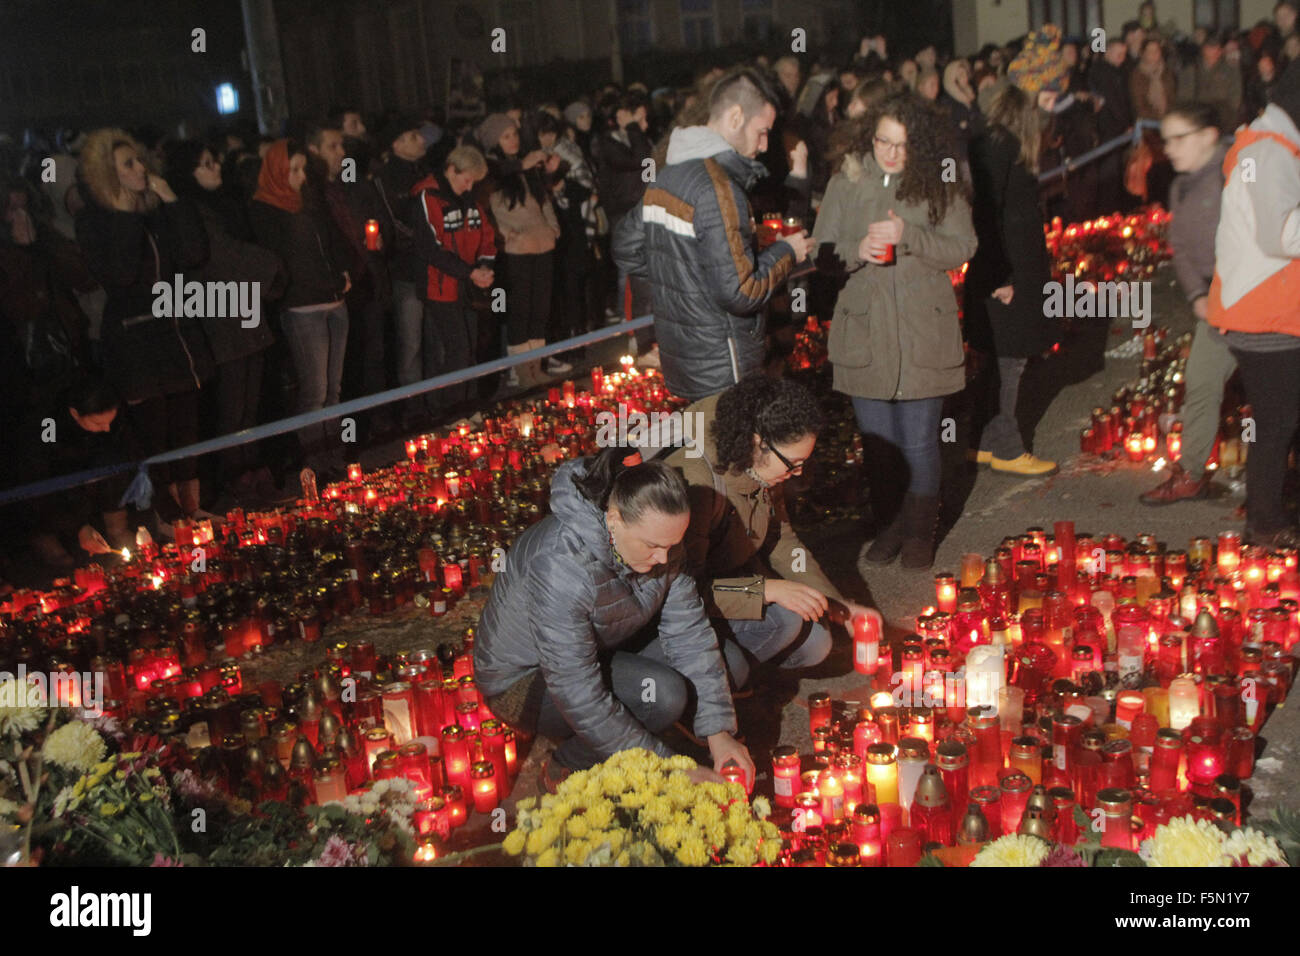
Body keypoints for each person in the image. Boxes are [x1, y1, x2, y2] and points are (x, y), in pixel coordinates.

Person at [473, 447, 752, 791]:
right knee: (662, 695)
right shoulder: (561, 564)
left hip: (601, 648)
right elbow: (576, 688)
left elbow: (689, 632)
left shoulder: (661, 542)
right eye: (652, 546)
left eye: (672, 544)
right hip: (525, 682)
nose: (664, 557)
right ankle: (568, 763)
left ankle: (645, 733)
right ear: (614, 518)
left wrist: (719, 732)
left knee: (731, 664)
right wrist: (665, 768)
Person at [811, 90, 977, 570]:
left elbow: (964, 245)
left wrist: (912, 236)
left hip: (925, 330)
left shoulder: (938, 181)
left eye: (901, 145)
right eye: (883, 141)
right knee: (879, 447)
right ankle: (889, 528)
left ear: (918, 146)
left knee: (921, 442)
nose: (890, 152)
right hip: (864, 332)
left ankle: (920, 532)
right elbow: (821, 250)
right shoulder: (848, 180)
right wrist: (855, 249)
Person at [613, 67, 814, 402]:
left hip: (685, 363)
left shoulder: (669, 174)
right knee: (731, 452)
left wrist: (697, 272)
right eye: (762, 132)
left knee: (705, 451)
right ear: (735, 116)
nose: (764, 145)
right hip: (725, 367)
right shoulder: (718, 189)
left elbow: (626, 248)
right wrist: (787, 252)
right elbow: (741, 290)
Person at [666, 376, 881, 688]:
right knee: (785, 624)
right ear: (758, 442)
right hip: (682, 606)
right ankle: (700, 687)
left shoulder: (762, 467)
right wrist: (767, 592)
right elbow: (682, 591)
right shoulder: (696, 484)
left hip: (730, 577)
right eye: (793, 464)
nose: (798, 474)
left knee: (816, 643)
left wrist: (837, 604)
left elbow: (781, 539)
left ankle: (734, 667)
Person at [75, 128, 216, 528]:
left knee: (187, 427)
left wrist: (173, 203)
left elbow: (194, 254)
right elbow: (119, 273)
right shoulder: (95, 219)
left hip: (177, 332)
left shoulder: (155, 210)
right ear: (108, 174)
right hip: (136, 340)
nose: (140, 169)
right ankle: (167, 518)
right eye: (128, 164)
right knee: (154, 435)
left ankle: (193, 508)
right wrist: (125, 216)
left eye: (139, 160)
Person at [1206, 62, 1300, 548]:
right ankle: (1264, 524)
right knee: (1277, 419)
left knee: (1280, 417)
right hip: (1263, 311)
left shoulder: (1272, 146)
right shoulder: (1269, 153)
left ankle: (1268, 515)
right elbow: (1283, 233)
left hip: (1269, 307)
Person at [162, 140, 286, 505]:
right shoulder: (193, 212)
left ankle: (253, 468)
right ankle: (237, 476)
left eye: (214, 161)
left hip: (245, 309)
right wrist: (272, 265)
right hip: (222, 312)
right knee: (233, 407)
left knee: (250, 403)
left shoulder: (226, 205)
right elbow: (223, 256)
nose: (215, 168)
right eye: (204, 164)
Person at [966, 82, 1067, 478]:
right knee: (1010, 362)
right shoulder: (1001, 148)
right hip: (1006, 271)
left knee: (998, 361)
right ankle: (1006, 446)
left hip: (1010, 267)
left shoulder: (997, 145)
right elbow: (990, 215)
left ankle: (986, 441)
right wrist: (1003, 276)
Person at [1140, 104, 1231, 506]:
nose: (1169, 149)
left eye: (1179, 139)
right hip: (1214, 303)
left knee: (1274, 391)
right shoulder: (1180, 186)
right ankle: (1192, 474)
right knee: (1202, 381)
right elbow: (1181, 249)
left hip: (1255, 299)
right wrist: (1196, 294)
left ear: (1208, 135)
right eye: (1166, 140)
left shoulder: (1236, 174)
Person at [248, 140, 352, 479]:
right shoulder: (266, 210)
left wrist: (343, 272)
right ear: (278, 171)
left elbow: (331, 241)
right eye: (293, 170)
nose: (300, 176)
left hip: (335, 301)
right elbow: (282, 262)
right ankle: (314, 461)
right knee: (314, 389)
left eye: (303, 168)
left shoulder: (312, 200)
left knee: (334, 389)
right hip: (304, 308)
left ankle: (335, 455)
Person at [479, 112, 570, 386]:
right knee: (521, 308)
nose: (513, 140)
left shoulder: (528, 169)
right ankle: (521, 368)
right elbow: (488, 210)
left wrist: (553, 227)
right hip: (517, 249)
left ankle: (536, 363)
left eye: (514, 134)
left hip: (542, 243)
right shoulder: (491, 171)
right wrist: (506, 235)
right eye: (506, 136)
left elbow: (543, 202)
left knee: (540, 307)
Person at [410, 145, 496, 411]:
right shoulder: (427, 197)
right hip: (439, 286)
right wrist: (469, 272)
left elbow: (486, 236)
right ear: (451, 170)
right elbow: (430, 248)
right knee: (456, 349)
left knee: (468, 347)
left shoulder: (470, 200)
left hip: (465, 285)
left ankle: (466, 406)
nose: (470, 187)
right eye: (467, 179)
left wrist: (484, 267)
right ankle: (451, 411)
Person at [1178, 33, 1243, 134]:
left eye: (1217, 48)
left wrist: (1226, 116)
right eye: (1210, 48)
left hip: (1223, 121)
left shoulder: (1231, 70)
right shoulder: (1191, 70)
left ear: (1221, 51)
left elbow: (1235, 97)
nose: (1214, 52)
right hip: (1198, 120)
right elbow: (1185, 97)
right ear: (1203, 49)